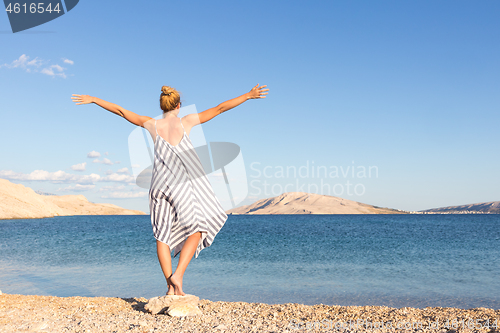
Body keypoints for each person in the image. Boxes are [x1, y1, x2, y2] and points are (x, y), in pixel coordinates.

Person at [71, 84, 269, 296]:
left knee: (162, 237)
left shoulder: (151, 124)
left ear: (162, 106)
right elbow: (220, 108)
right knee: (200, 228)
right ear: (178, 105)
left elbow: (120, 111)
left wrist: (94, 99)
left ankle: (169, 287)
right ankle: (178, 276)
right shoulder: (187, 122)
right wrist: (248, 96)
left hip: (159, 186)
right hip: (182, 186)